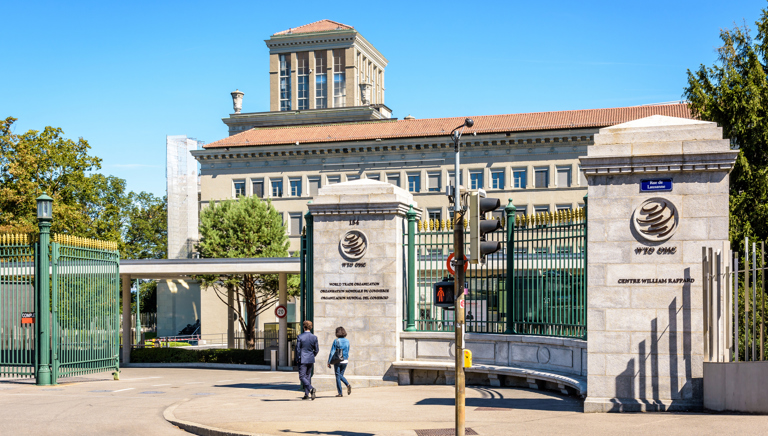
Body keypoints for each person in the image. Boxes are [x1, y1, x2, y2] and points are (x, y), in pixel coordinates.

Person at [296, 320, 319, 400]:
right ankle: (306, 394)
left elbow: (298, 349)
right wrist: (313, 355)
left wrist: (297, 358)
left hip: (302, 359)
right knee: (308, 376)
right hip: (310, 358)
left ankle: (311, 388)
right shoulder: (314, 337)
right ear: (311, 327)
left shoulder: (300, 336)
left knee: (302, 376)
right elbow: (316, 349)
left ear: (303, 327)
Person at [327, 326, 351, 397]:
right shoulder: (347, 341)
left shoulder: (336, 341)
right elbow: (348, 350)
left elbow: (332, 352)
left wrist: (329, 361)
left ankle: (341, 392)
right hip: (345, 360)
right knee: (340, 375)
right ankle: (347, 386)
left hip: (338, 360)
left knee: (338, 376)